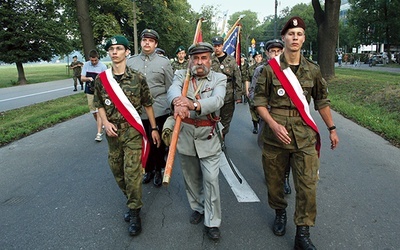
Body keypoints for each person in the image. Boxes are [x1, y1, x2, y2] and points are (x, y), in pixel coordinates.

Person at [253, 17, 339, 250]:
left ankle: (303, 232)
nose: (295, 38)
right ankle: (280, 212)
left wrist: (331, 128)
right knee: (274, 182)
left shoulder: (313, 69)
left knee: (307, 185)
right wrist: (272, 123)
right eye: (291, 34)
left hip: (304, 135)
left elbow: (321, 100)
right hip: (275, 136)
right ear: (284, 38)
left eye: (299, 34)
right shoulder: (270, 70)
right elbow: (258, 101)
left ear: (303, 38)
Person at [94, 35, 161, 237]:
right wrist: (105, 123)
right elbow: (98, 105)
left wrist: (155, 128)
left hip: (132, 132)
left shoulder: (138, 77)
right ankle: (131, 200)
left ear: (126, 52)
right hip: (112, 134)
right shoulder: (102, 79)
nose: (114, 52)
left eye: (119, 48)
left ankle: (134, 212)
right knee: (117, 171)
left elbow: (148, 104)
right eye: (111, 49)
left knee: (132, 174)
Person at [164, 42, 226, 241]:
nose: (200, 62)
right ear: (190, 59)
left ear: (210, 59)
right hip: (186, 134)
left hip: (208, 135)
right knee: (191, 178)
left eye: (204, 58)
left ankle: (213, 221)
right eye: (196, 58)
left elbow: (217, 101)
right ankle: (198, 207)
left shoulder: (219, 78)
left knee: (211, 179)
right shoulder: (182, 75)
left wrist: (192, 104)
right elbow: (173, 90)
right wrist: (176, 102)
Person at [127, 29, 173, 187]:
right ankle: (148, 169)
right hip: (137, 111)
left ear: (156, 44)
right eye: (144, 40)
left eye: (151, 40)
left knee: (158, 143)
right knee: (142, 141)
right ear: (140, 42)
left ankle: (159, 169)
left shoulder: (164, 63)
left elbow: (170, 87)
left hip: (159, 109)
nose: (147, 43)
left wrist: (172, 109)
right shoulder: (131, 62)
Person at [211, 36, 242, 137]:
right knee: (212, 117)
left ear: (223, 46)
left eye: (219, 46)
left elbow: (237, 77)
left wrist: (238, 96)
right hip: (212, 94)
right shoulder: (210, 60)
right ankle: (213, 137)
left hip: (228, 95)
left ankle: (222, 137)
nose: (217, 48)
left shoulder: (231, 60)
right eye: (215, 46)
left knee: (226, 118)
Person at [81, 49, 108, 142]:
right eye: (92, 60)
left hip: (99, 92)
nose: (94, 62)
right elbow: (82, 78)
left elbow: (106, 81)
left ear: (98, 58)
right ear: (89, 59)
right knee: (93, 111)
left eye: (95, 60)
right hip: (89, 91)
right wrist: (88, 78)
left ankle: (99, 133)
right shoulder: (86, 65)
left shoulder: (103, 67)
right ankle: (102, 124)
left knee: (98, 111)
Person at [247, 50, 263, 134]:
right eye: (256, 57)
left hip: (262, 92)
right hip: (253, 91)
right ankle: (255, 126)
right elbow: (247, 79)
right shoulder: (250, 69)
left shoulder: (266, 67)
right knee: (253, 109)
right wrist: (247, 91)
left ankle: (262, 126)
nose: (258, 58)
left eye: (259, 56)